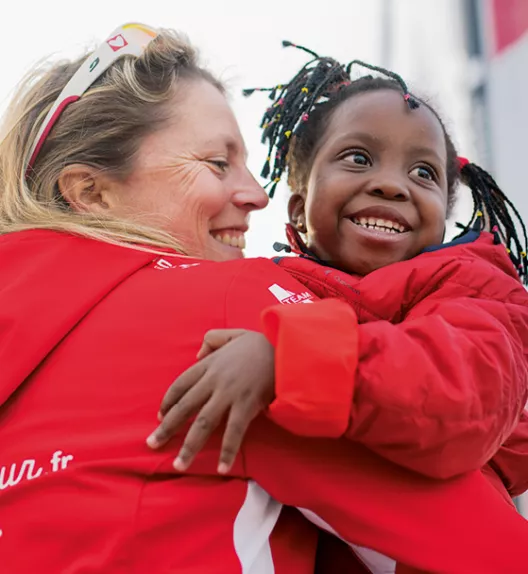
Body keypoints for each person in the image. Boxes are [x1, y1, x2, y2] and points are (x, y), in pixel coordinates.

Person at [1, 24, 527, 574]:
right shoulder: (239, 319)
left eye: (423, 173)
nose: (256, 195)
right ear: (90, 192)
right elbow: (485, 548)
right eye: (216, 162)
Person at [146, 43, 528, 562]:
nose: (392, 184)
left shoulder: (478, 289)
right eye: (358, 158)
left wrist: (289, 363)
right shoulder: (265, 289)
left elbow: (458, 394)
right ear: (299, 208)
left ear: (443, 216)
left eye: (423, 173)